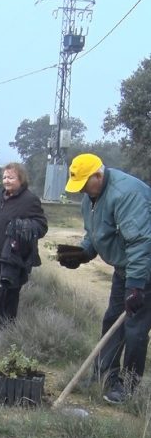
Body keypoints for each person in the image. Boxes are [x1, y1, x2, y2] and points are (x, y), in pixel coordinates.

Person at [57, 153, 151, 404]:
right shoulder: (91, 199)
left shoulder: (126, 194)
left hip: (144, 270)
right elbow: (96, 234)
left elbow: (141, 242)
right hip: (125, 269)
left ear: (98, 175)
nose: (82, 192)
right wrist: (81, 254)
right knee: (112, 321)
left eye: (85, 184)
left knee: (135, 328)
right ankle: (103, 377)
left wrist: (136, 286)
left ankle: (128, 387)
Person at [0, 163, 48, 326]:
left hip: (14, 255)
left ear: (21, 179)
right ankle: (2, 325)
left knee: (9, 292)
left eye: (11, 177)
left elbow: (41, 225)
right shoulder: (2, 196)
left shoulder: (29, 199)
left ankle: (7, 331)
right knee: (0, 291)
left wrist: (25, 226)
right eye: (4, 177)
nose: (6, 181)